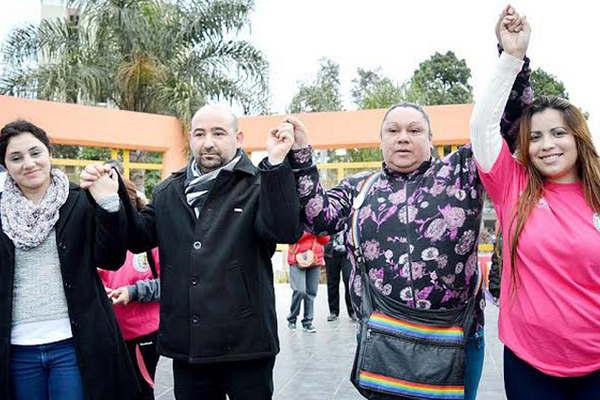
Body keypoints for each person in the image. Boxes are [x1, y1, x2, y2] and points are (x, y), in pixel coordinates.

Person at [282, 9, 531, 399]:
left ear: (430, 139)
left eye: (415, 130)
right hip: (386, 342)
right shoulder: (358, 189)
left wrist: (512, 57)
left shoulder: (462, 171)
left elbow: (508, 123)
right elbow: (318, 217)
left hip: (456, 337)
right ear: (380, 141)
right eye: (392, 130)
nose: (403, 138)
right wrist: (300, 154)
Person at [81, 104, 302, 400]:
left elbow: (284, 231)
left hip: (246, 344)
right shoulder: (169, 190)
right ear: (190, 139)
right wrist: (112, 198)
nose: (207, 141)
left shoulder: (258, 183)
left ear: (238, 138)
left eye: (218, 133)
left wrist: (275, 164)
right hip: (189, 345)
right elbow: (139, 238)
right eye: (199, 133)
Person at [471, 11, 600, 399]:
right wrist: (511, 57)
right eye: (536, 137)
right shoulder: (514, 186)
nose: (547, 145)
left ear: (578, 139)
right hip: (530, 363)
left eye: (559, 133)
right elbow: (482, 127)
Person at [0, 120, 139, 400]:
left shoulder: (79, 200)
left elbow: (110, 259)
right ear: (5, 166)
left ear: (49, 152)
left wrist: (109, 206)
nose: (28, 163)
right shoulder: (1, 210)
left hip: (73, 343)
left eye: (35, 152)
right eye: (16, 158)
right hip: (18, 347)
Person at [97, 178, 161, 400]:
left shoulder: (150, 241)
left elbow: (170, 284)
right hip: (108, 335)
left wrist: (132, 292)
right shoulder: (98, 240)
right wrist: (101, 291)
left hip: (143, 334)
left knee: (141, 392)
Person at [287, 231, 330, 333]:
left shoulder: (318, 220)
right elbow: (289, 236)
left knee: (311, 292)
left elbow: (326, 240)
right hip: (297, 259)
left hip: (315, 259)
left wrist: (320, 233)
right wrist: (311, 232)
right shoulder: (296, 219)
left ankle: (308, 322)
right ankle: (292, 318)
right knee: (299, 290)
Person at [324, 230, 355, 322]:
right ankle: (333, 311)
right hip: (331, 253)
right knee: (332, 282)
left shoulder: (349, 217)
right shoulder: (330, 217)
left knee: (348, 279)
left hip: (347, 254)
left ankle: (352, 311)